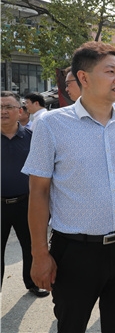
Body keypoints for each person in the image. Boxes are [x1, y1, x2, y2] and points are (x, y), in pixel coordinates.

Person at [23, 41, 115, 333]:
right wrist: (39, 254)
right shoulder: (52, 125)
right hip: (75, 253)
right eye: (110, 72)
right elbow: (39, 192)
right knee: (71, 325)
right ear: (83, 77)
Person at [1, 91, 49, 298]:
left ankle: (33, 282)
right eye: (0, 107)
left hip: (26, 203)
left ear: (20, 111)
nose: (3, 111)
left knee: (31, 245)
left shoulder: (32, 138)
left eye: (8, 107)